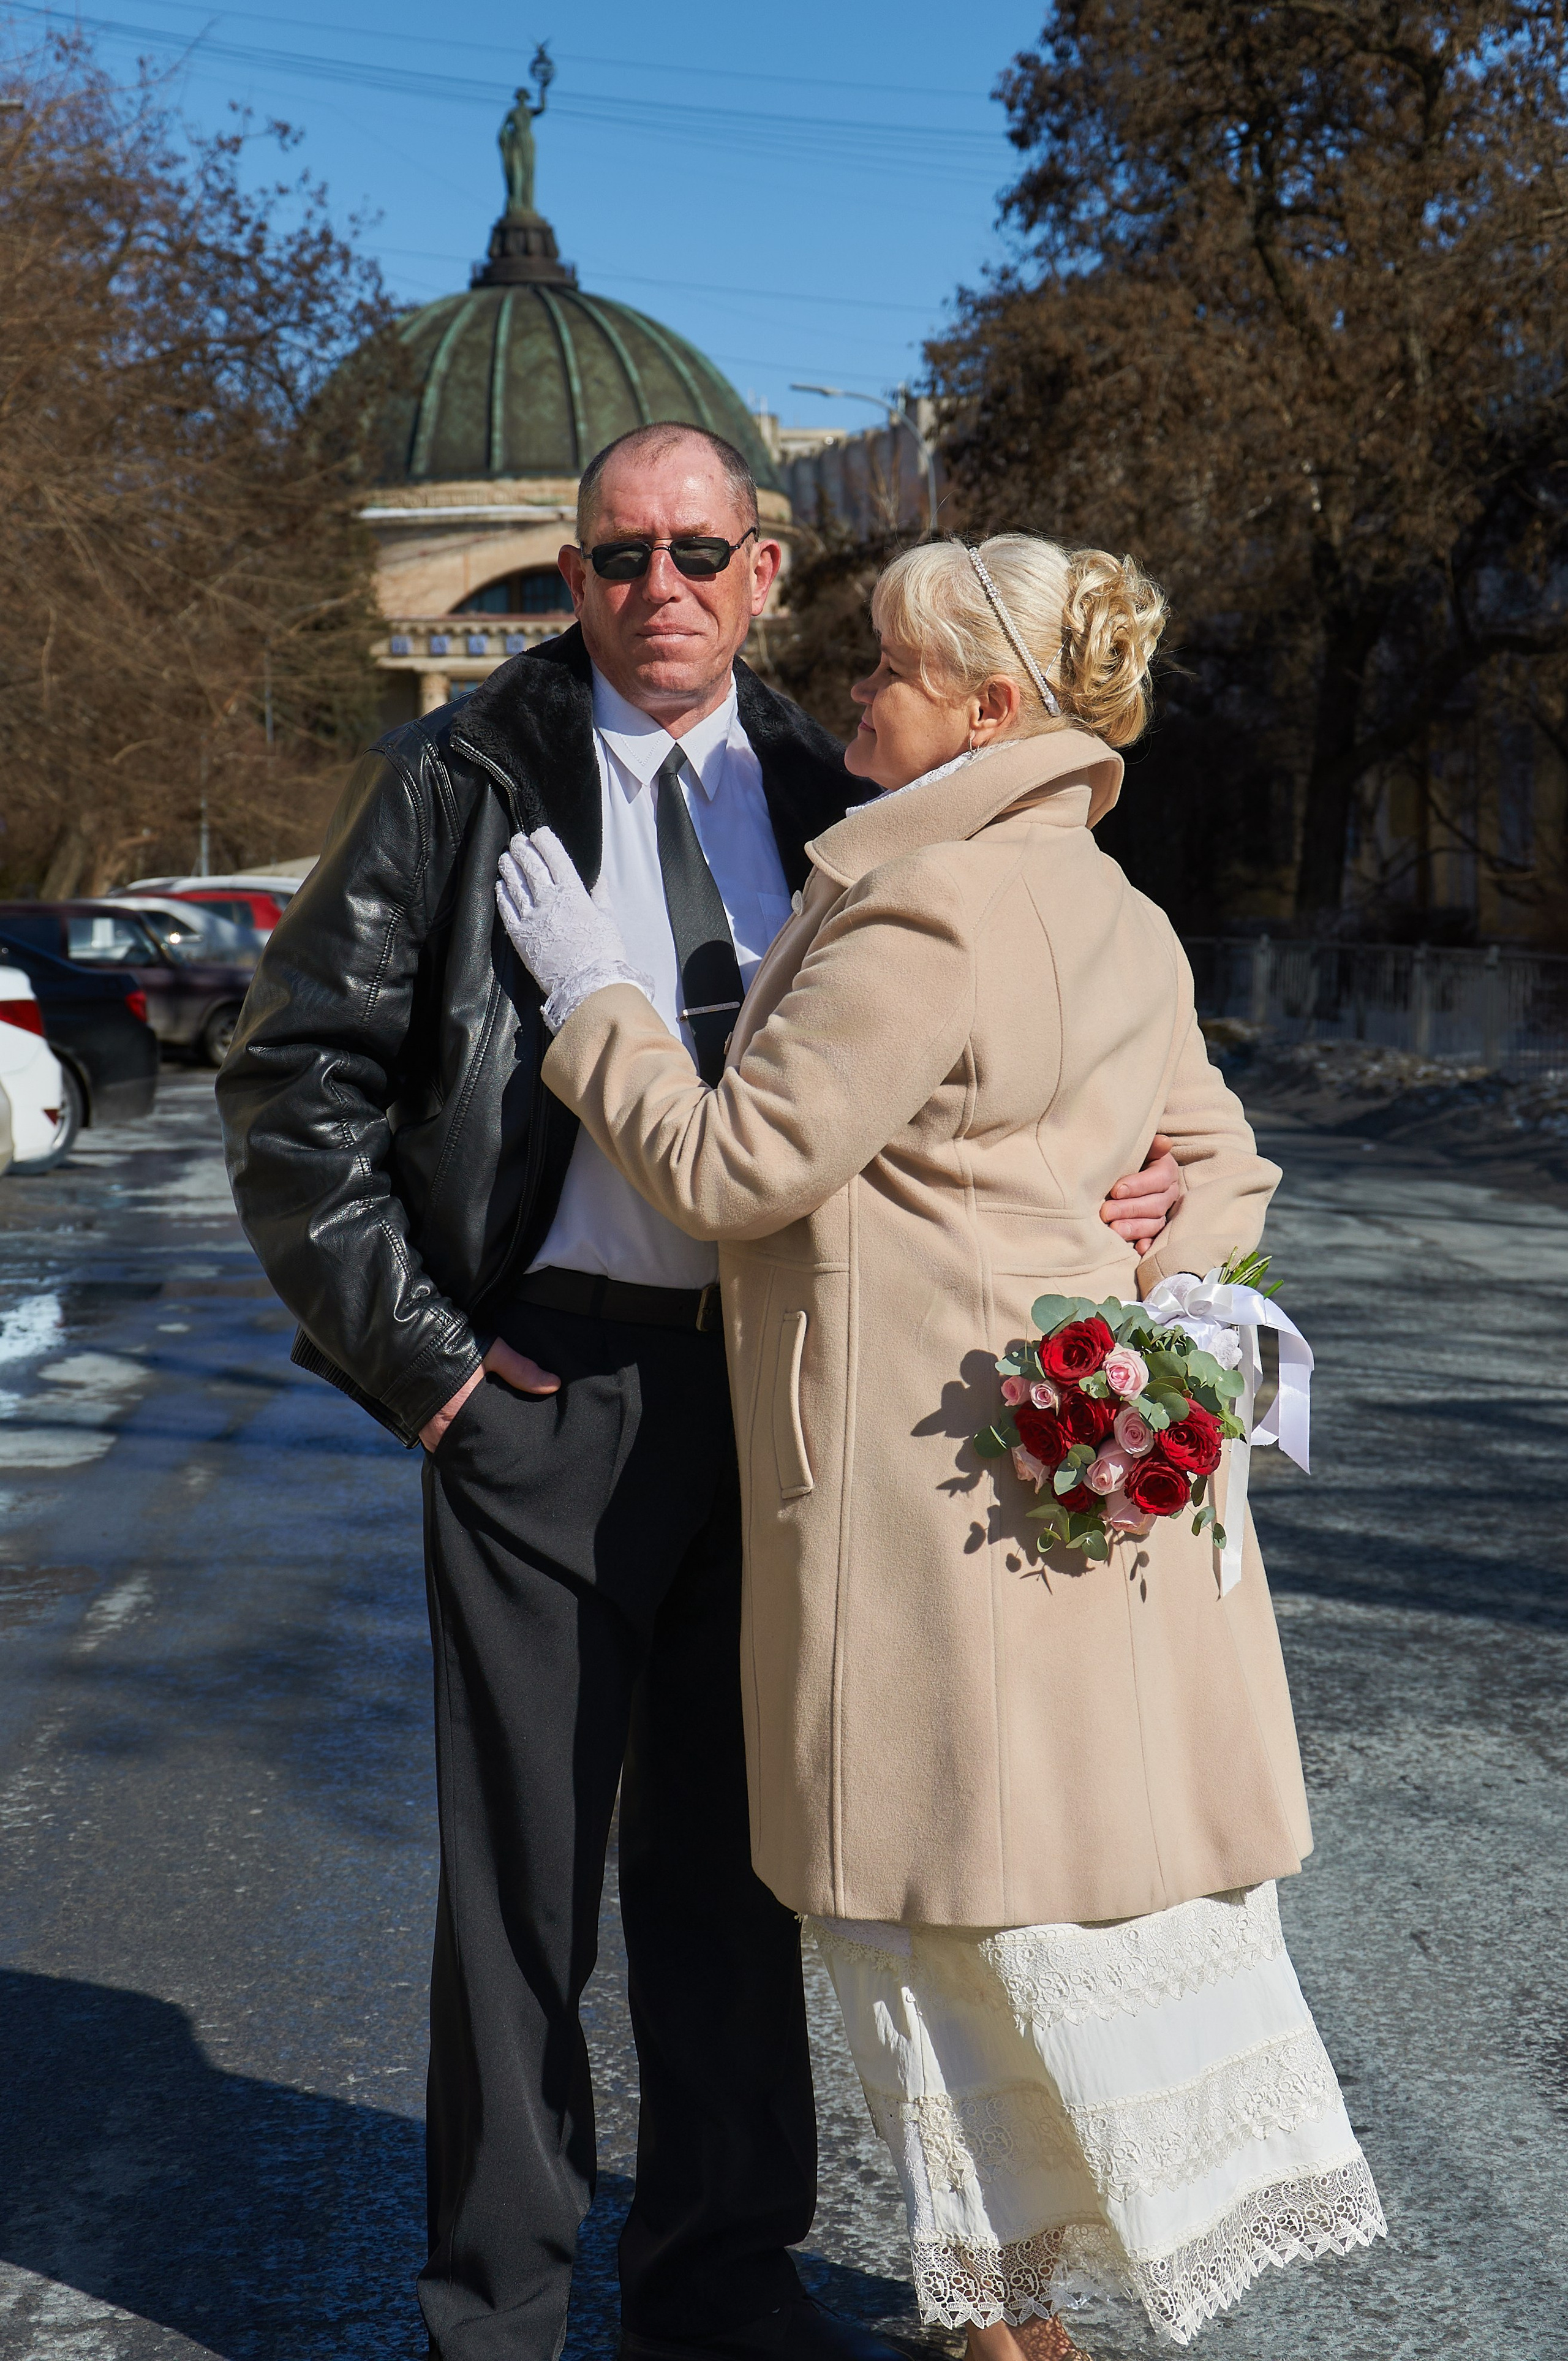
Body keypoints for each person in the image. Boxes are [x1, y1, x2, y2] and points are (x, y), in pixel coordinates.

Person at [216, 435, 1180, 2361]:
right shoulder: (456, 786)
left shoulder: (857, 791)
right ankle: (496, 2309)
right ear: (572, 578)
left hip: (786, 1409)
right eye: (619, 554)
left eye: (699, 552)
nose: (660, 585)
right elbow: (289, 1087)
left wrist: (1145, 1183)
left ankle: (720, 2283)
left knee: (745, 1879)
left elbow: (1021, 1042)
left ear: (761, 575)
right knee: (524, 1901)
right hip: (539, 1388)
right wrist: (421, 1364)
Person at [494, 532, 1386, 2356]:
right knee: (1044, 1912)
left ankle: (1004, 2328)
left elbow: (735, 1168)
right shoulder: (1112, 906)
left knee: (938, 1933)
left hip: (919, 1502)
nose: (860, 696)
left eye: (894, 670)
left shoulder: (921, 904)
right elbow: (1226, 1167)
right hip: (1068, 1490)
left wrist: (592, 1000)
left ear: (990, 712)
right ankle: (1019, 2314)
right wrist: (1149, 1246)